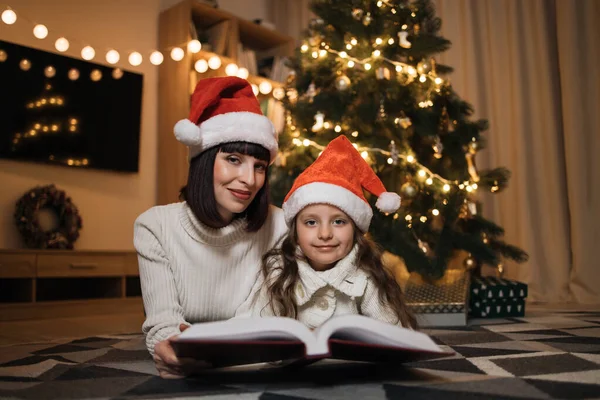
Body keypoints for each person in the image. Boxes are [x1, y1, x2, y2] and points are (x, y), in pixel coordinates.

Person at [134, 77, 287, 378]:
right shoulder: (155, 226)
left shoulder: (279, 225)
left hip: (245, 350)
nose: (249, 179)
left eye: (259, 166)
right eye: (233, 159)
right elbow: (162, 318)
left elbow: (262, 313)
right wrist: (168, 346)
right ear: (203, 160)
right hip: (199, 348)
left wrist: (219, 349)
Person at [235, 135, 416, 330]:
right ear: (295, 232)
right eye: (311, 222)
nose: (325, 234)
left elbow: (395, 335)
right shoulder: (279, 273)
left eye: (338, 222)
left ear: (356, 229)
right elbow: (258, 329)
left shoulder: (367, 276)